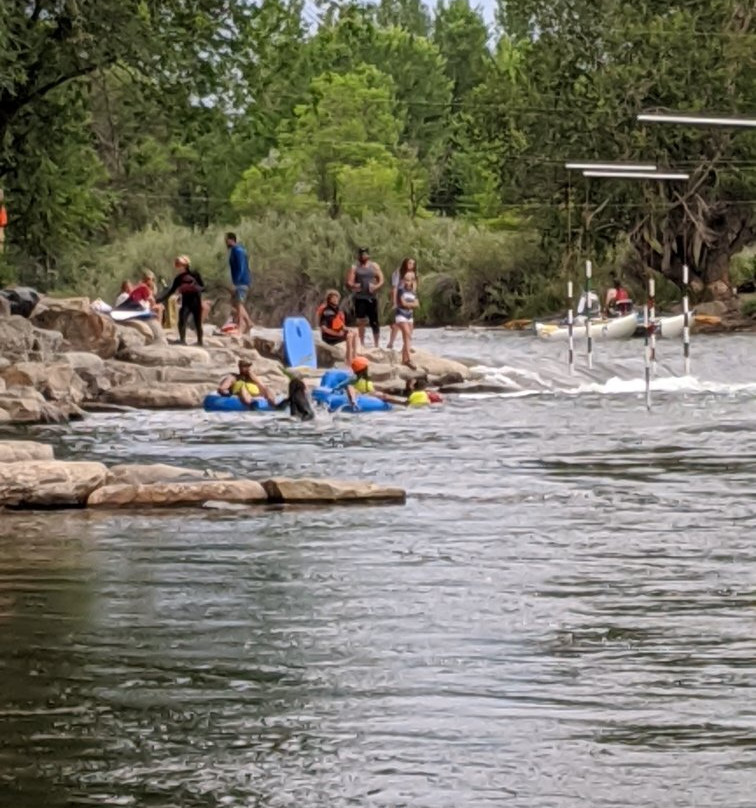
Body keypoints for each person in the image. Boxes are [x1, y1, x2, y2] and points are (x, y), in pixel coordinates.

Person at [156, 255, 205, 346]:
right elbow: (171, 291)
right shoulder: (178, 278)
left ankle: (200, 341)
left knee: (197, 322)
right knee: (182, 319)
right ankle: (182, 340)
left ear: (186, 264)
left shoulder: (195, 274)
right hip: (186, 302)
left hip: (196, 301)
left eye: (180, 263)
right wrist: (159, 299)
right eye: (177, 264)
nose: (178, 266)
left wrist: (193, 288)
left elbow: (203, 287)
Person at [346, 247, 383, 348]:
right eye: (361, 254)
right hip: (360, 298)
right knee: (361, 321)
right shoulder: (355, 267)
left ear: (368, 255)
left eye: (365, 254)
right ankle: (361, 343)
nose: (363, 256)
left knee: (374, 321)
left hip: (372, 297)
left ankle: (376, 344)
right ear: (358, 256)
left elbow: (381, 280)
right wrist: (353, 285)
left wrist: (376, 286)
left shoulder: (374, 266)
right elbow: (349, 282)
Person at [316, 289, 358, 366]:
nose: (336, 299)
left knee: (354, 333)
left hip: (336, 333)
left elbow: (340, 324)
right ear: (329, 299)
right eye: (333, 298)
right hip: (328, 336)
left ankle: (354, 356)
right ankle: (348, 360)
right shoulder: (327, 312)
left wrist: (347, 329)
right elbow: (324, 328)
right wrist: (337, 334)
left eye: (337, 298)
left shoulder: (336, 309)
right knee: (349, 336)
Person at [387, 257, 417, 350]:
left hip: (408, 296)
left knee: (408, 322)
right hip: (400, 296)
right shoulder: (398, 273)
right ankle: (392, 343)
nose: (411, 266)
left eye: (413, 264)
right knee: (399, 322)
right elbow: (395, 288)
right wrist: (395, 302)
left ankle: (406, 345)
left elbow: (414, 287)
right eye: (410, 263)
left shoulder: (413, 274)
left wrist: (413, 298)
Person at [225, 232, 253, 334]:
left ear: (231, 240)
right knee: (236, 303)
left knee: (239, 303)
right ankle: (249, 322)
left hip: (241, 282)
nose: (225, 242)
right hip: (241, 281)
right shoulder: (236, 250)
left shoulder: (238, 250)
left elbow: (241, 267)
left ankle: (242, 326)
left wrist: (236, 282)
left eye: (226, 240)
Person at [395, 270, 419, 368]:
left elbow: (417, 304)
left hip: (409, 316)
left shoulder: (413, 292)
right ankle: (408, 359)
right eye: (406, 280)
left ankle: (404, 359)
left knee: (408, 337)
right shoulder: (400, 290)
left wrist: (409, 305)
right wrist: (410, 305)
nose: (408, 282)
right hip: (401, 315)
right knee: (407, 334)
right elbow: (403, 303)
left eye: (410, 280)